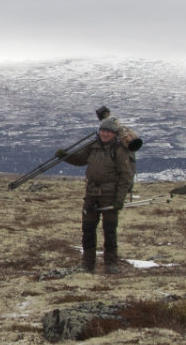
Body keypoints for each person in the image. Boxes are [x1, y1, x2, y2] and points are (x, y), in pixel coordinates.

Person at [56, 117, 136, 273]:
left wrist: (119, 200)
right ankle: (87, 263)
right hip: (91, 193)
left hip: (110, 194)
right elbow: (80, 160)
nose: (105, 134)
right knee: (88, 228)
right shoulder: (93, 146)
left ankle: (111, 263)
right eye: (103, 131)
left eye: (108, 132)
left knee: (109, 229)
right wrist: (66, 156)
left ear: (114, 134)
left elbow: (125, 177)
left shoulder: (119, 150)